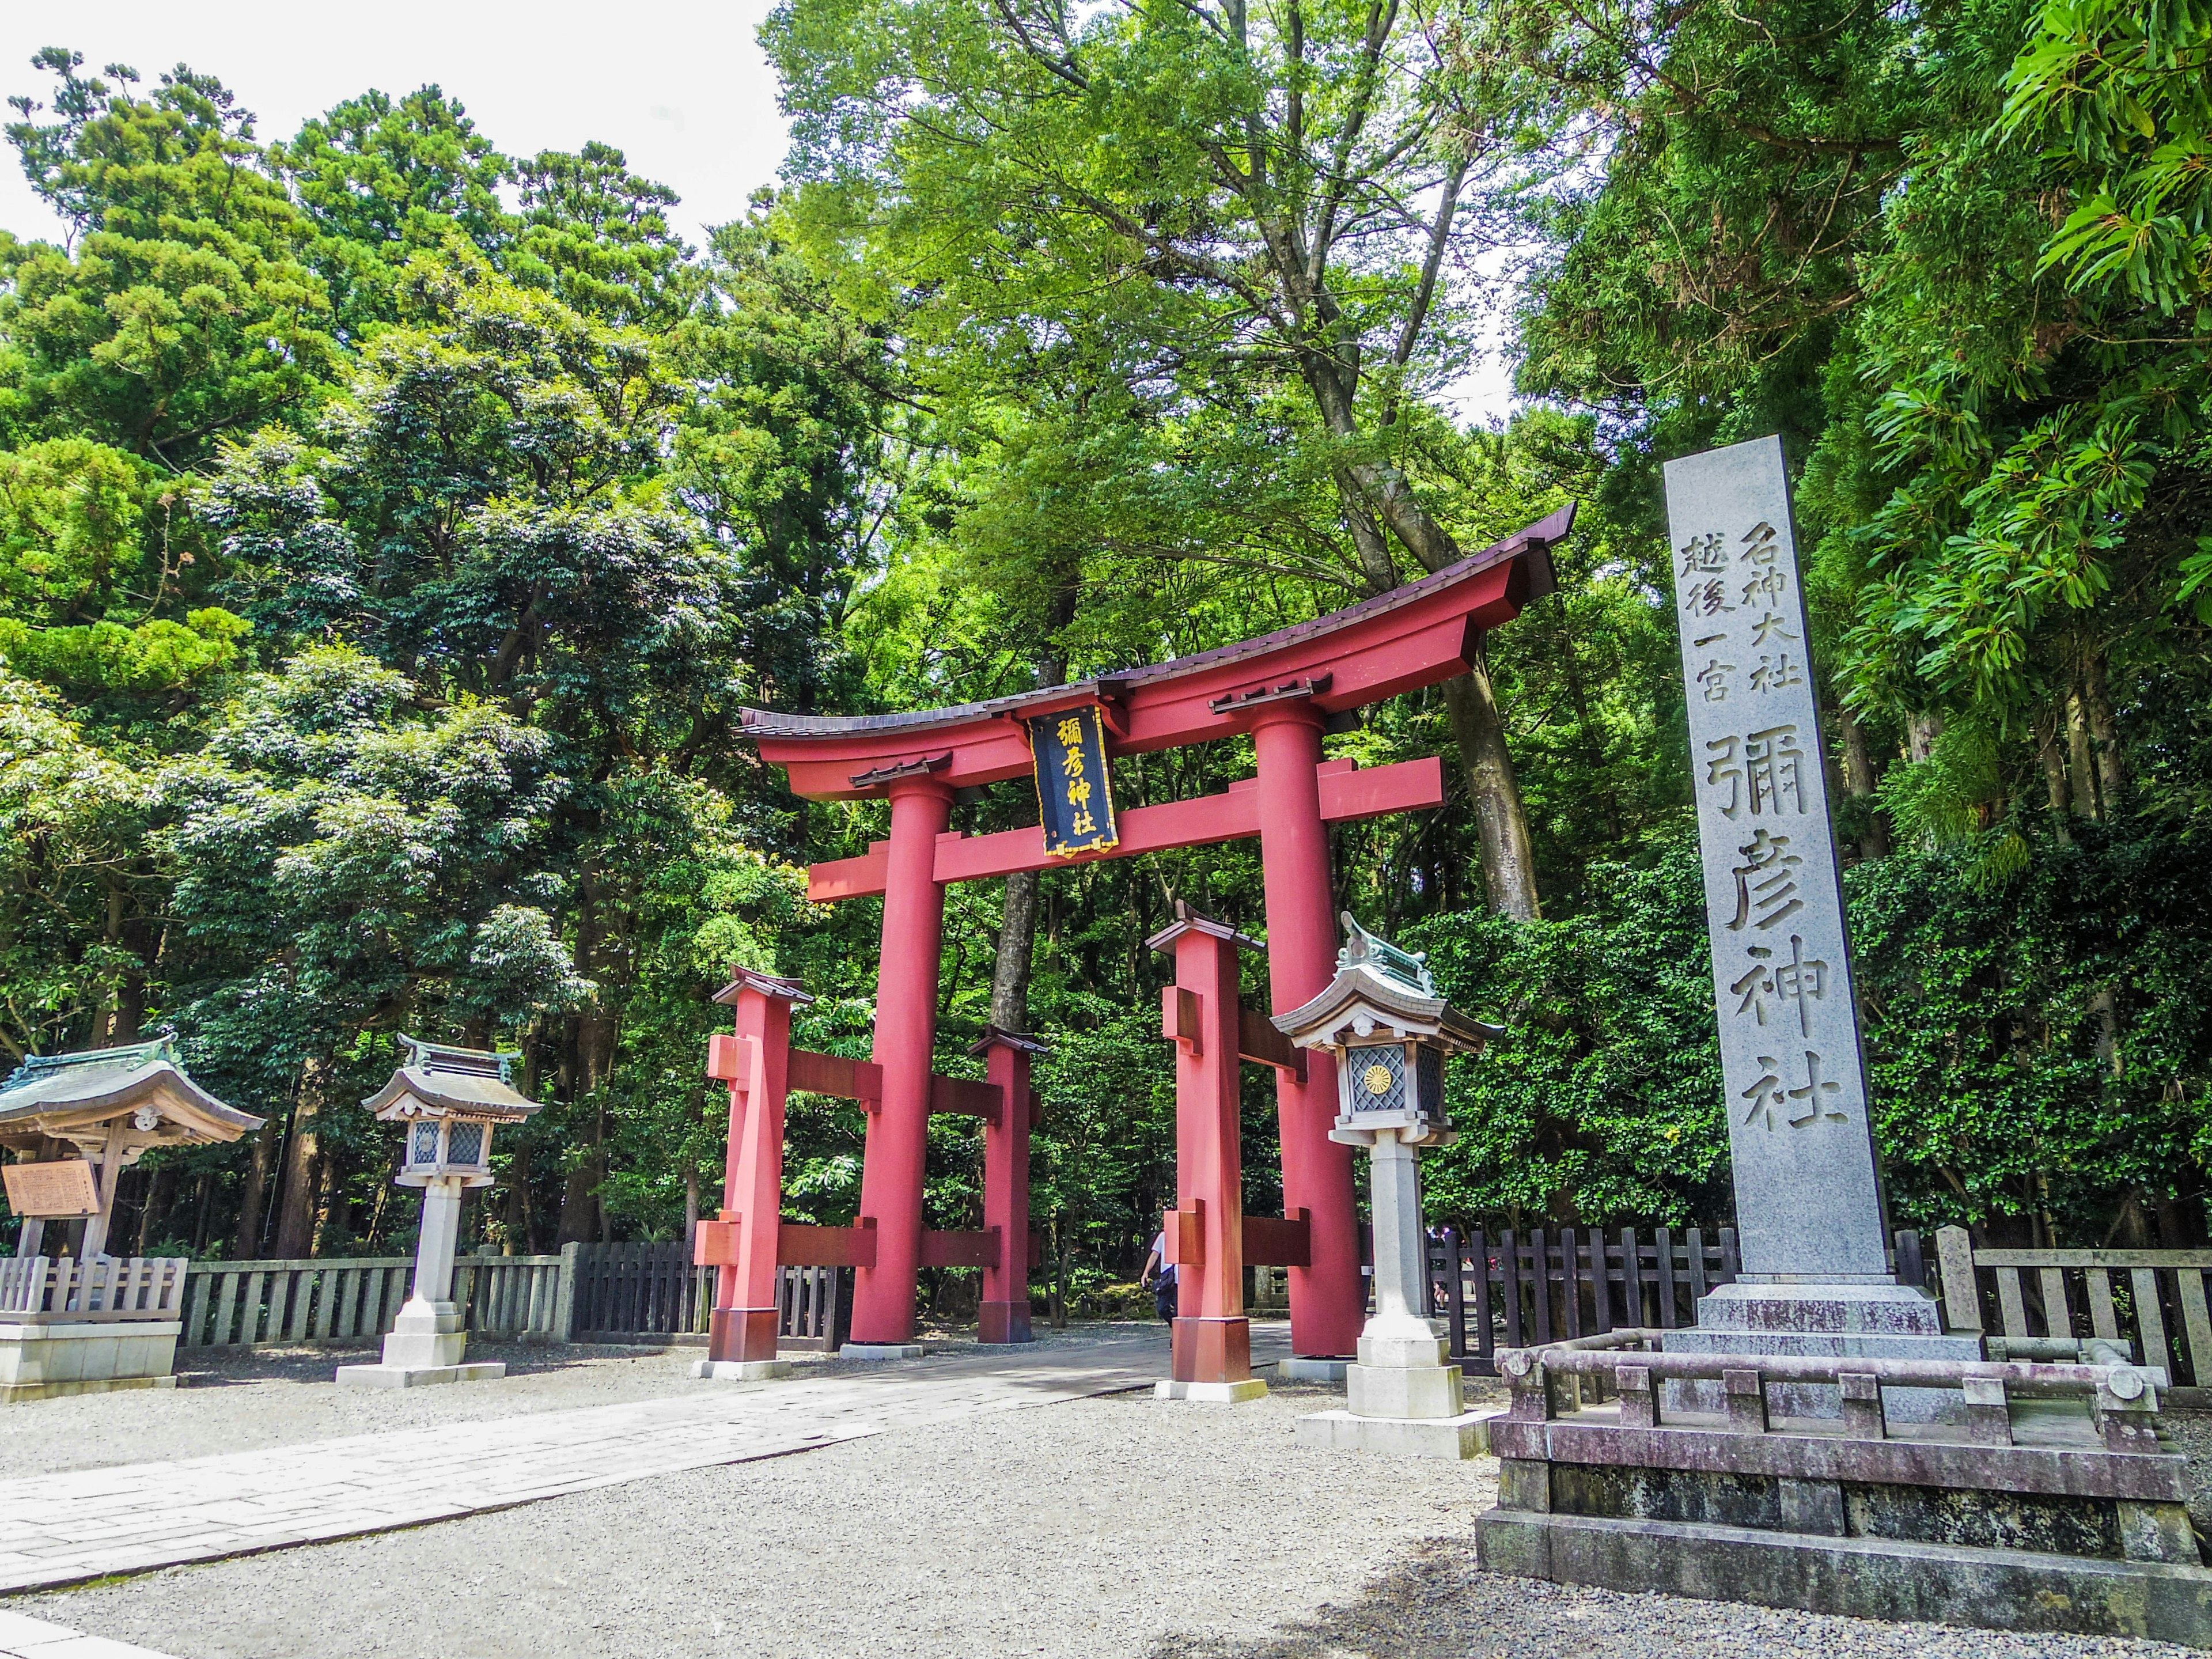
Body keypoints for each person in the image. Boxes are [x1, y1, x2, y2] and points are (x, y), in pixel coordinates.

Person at [1139, 1228, 1177, 1325]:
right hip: (1167, 1278)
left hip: (1181, 1280)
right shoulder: (1163, 1236)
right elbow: (1155, 1254)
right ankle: (1174, 1327)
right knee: (1162, 1309)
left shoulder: (1185, 1234)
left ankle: (1176, 1337)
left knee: (1179, 1312)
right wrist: (1146, 1272)